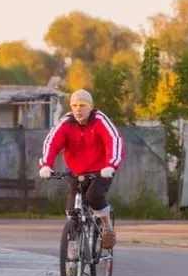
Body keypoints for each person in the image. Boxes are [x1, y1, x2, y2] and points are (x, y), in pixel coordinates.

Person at [38, 89, 124, 249]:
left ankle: (107, 228)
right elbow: (52, 143)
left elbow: (114, 140)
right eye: (74, 105)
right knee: (71, 210)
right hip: (77, 173)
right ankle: (71, 256)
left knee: (93, 196)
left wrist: (111, 165)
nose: (78, 109)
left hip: (101, 172)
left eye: (83, 105)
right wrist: (46, 165)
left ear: (90, 107)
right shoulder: (66, 123)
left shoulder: (100, 121)